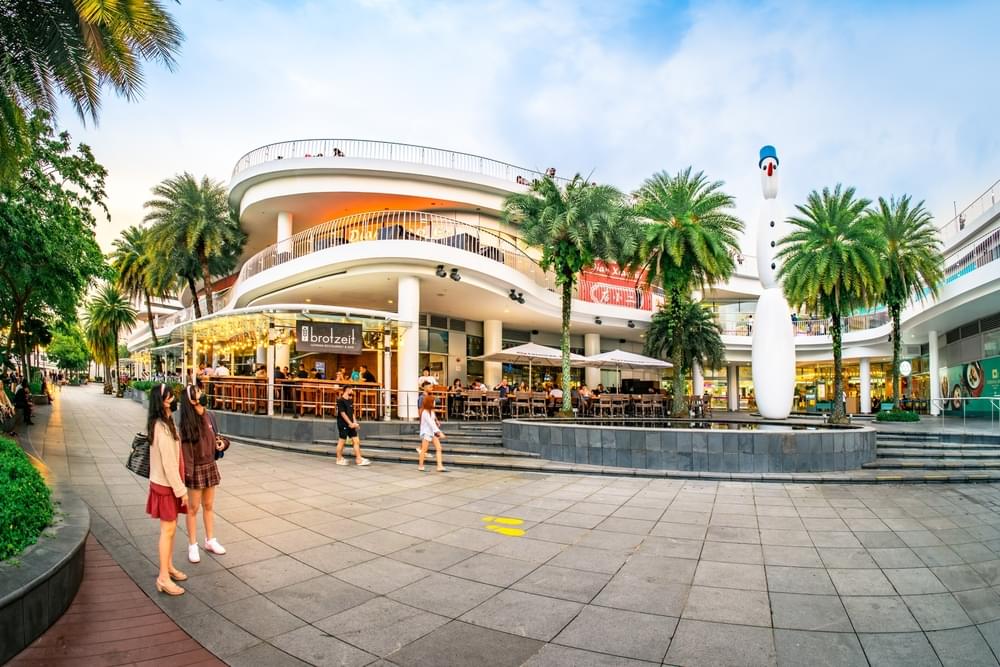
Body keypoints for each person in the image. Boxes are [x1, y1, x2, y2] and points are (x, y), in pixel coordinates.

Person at [146, 384, 188, 596]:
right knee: (168, 530)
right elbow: (169, 464)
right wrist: (182, 491)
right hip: (166, 485)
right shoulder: (161, 427)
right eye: (169, 396)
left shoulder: (166, 422)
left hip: (167, 483)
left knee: (171, 529)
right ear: (162, 401)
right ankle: (163, 577)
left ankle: (168, 566)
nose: (173, 398)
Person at [179, 385, 226, 564]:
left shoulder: (210, 416)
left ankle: (210, 540)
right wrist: (188, 476)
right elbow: (186, 452)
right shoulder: (187, 423)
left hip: (210, 465)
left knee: (208, 505)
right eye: (197, 392)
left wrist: (223, 444)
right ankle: (192, 545)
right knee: (193, 509)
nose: (201, 393)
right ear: (191, 399)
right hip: (195, 469)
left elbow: (218, 437)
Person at [335, 387, 371, 466]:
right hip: (343, 424)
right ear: (347, 390)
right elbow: (342, 413)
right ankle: (339, 459)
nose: (352, 391)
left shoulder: (350, 400)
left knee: (356, 441)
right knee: (342, 441)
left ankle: (359, 459)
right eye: (351, 389)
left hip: (351, 424)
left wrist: (355, 423)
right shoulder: (340, 401)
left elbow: (352, 413)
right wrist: (350, 423)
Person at [416, 395, 446, 472]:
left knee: (439, 448)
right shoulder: (425, 413)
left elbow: (432, 422)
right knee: (424, 450)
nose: (435, 403)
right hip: (426, 433)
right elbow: (430, 423)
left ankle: (439, 466)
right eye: (433, 402)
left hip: (432, 432)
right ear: (430, 403)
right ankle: (421, 465)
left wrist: (437, 424)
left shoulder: (431, 412)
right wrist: (439, 432)